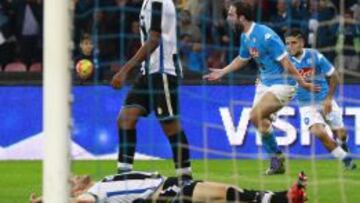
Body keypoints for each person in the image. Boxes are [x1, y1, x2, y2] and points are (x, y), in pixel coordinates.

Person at [203, 1, 319, 175]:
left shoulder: (265, 36)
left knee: (255, 114)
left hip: (283, 83)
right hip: (264, 83)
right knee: (259, 122)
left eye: (232, 15)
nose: (229, 18)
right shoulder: (245, 36)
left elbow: (286, 62)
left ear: (242, 18)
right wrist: (222, 72)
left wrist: (302, 83)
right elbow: (243, 59)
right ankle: (277, 159)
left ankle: (277, 158)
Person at [110, 0, 192, 179]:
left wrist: (125, 70)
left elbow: (154, 40)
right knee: (125, 119)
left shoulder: (158, 2)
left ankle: (185, 179)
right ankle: (124, 178)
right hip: (148, 72)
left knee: (170, 126)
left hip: (163, 72)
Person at [285, 29, 357, 170]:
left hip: (324, 100)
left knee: (340, 134)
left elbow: (334, 75)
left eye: (293, 42)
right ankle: (346, 159)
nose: (290, 46)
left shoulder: (314, 56)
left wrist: (329, 99)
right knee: (319, 132)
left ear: (301, 42)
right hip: (306, 105)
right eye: (287, 43)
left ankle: (343, 144)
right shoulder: (285, 60)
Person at [30, 170, 308, 203]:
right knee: (221, 194)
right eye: (72, 182)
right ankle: (282, 198)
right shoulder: (92, 194)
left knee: (224, 193)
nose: (77, 177)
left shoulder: (101, 182)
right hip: (163, 193)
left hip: (166, 185)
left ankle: (283, 197)